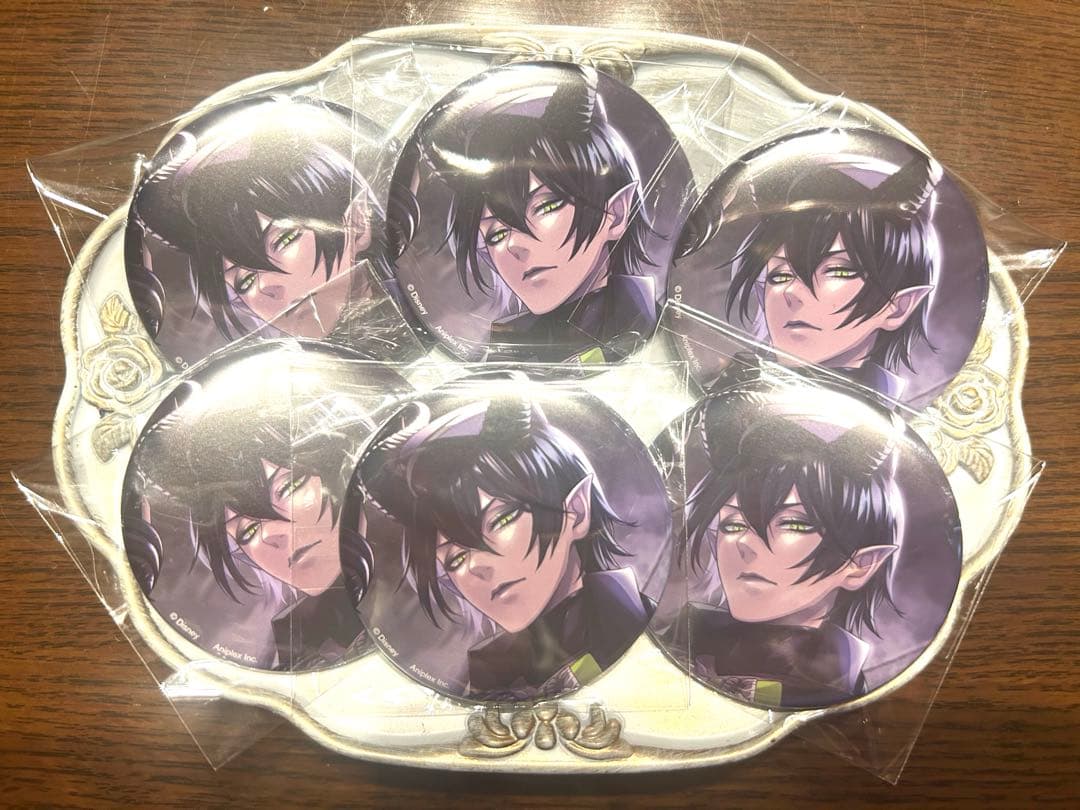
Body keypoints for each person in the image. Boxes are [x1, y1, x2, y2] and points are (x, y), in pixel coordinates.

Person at [354, 387, 652, 699]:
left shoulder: (631, 627)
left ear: (576, 511)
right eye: (455, 558)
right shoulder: (487, 672)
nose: (476, 566)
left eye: (500, 521)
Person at [123, 345, 392, 671]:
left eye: (288, 488)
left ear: (340, 465)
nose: (273, 536)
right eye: (248, 531)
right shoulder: (295, 644)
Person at [408, 63, 660, 363]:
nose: (513, 245)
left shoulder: (641, 322)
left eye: (545, 206)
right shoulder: (505, 344)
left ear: (616, 213)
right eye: (495, 234)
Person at [672, 387, 904, 708]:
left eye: (794, 524)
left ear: (862, 564)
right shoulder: (684, 635)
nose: (745, 543)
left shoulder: (832, 684)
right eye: (732, 525)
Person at [126, 95, 393, 364]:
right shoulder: (262, 372)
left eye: (284, 239)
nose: (266, 286)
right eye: (244, 281)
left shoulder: (409, 312)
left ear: (358, 221)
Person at [677, 139, 943, 399]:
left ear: (900, 306)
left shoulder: (881, 409)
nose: (791, 292)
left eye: (838, 270)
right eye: (779, 275)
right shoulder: (732, 381)